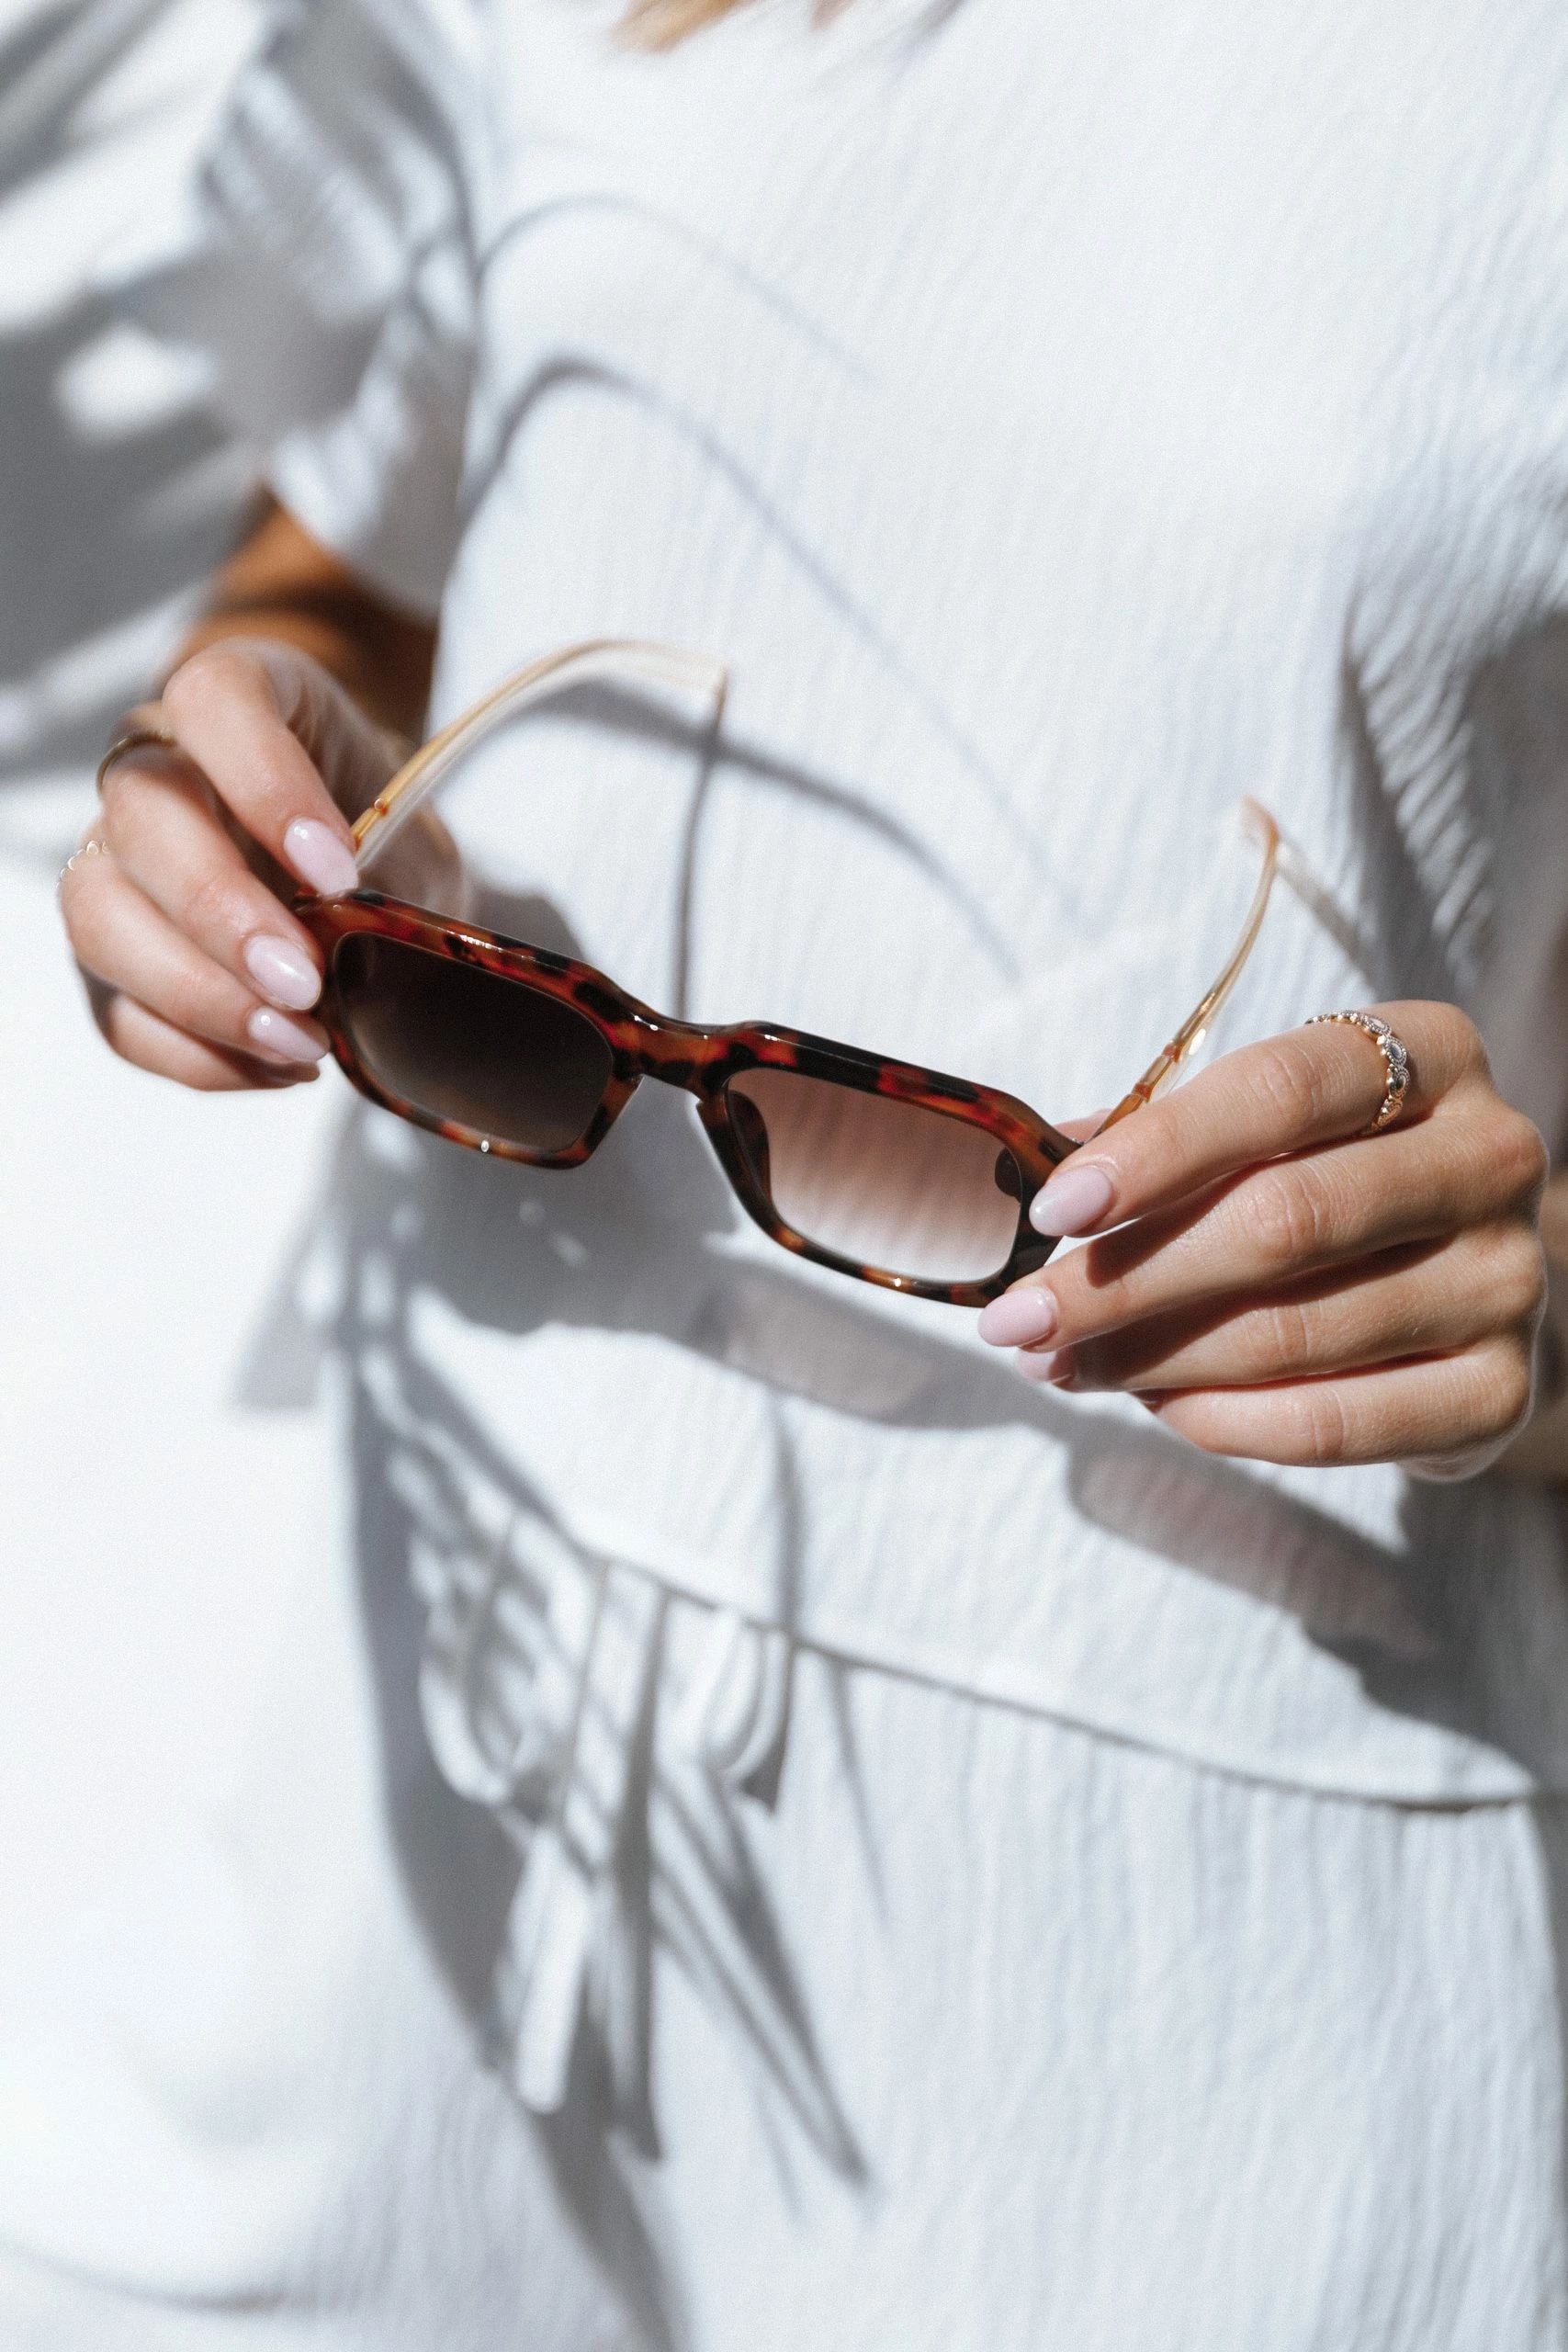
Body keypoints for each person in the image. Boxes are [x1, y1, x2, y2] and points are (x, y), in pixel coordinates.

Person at [48, 0, 1568, 2342]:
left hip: (1185, 1985)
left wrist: (1527, 1301)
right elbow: (333, 586)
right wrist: (220, 818)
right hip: (419, 1814)